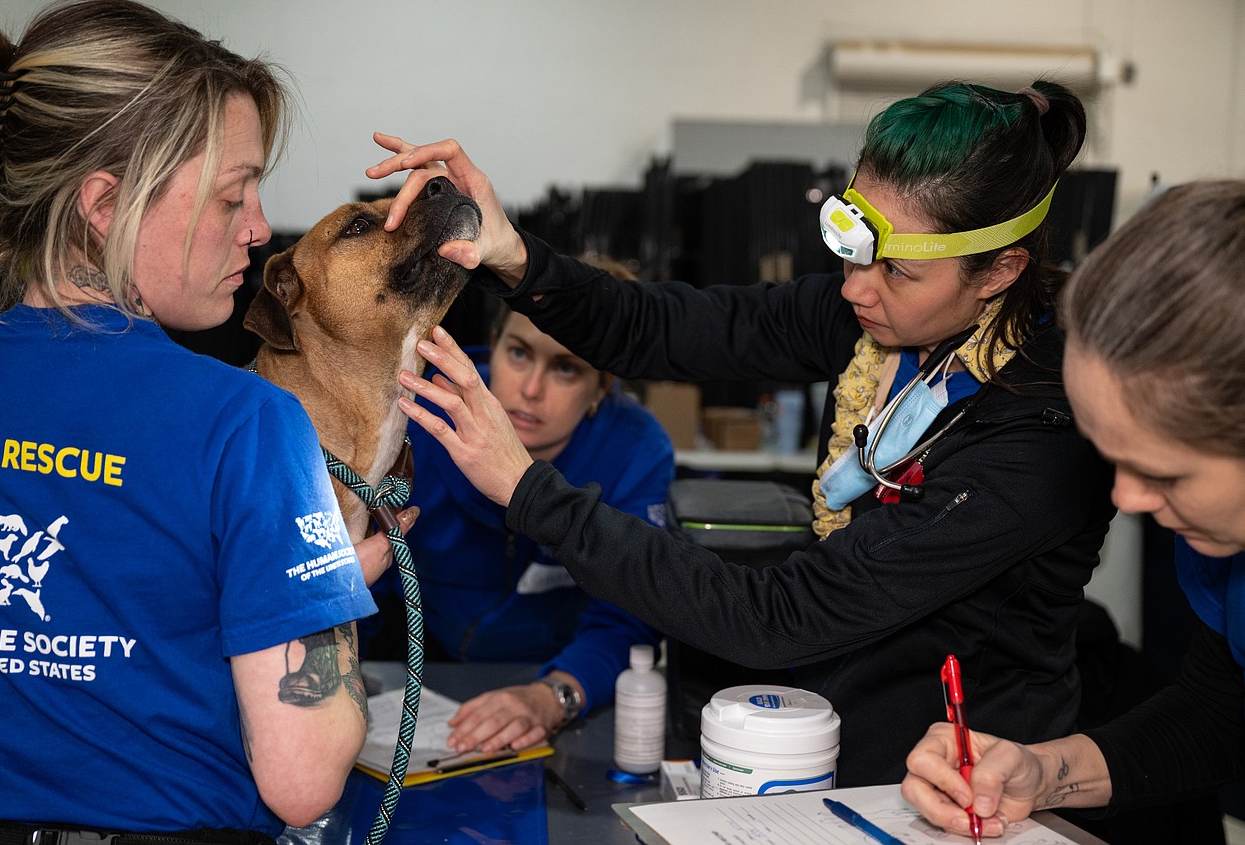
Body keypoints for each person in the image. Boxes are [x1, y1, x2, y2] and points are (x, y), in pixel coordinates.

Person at [365, 78, 1118, 787]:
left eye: (897, 273)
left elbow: (781, 616)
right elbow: (660, 326)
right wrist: (515, 256)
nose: (855, 287)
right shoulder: (881, 316)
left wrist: (529, 491)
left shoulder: (1037, 436)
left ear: (999, 270)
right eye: (855, 253)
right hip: (839, 746)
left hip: (969, 779)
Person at [0, 0, 397, 843]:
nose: (257, 229)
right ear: (104, 205)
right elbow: (303, 779)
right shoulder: (247, 423)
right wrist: (323, 599)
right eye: (231, 195)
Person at [900, 179, 1245, 838]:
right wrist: (1040, 770)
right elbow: (1219, 713)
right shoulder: (1220, 542)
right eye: (1111, 456)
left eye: (1164, 471)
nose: (1127, 499)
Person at [364, 253, 672, 755]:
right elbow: (364, 576)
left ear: (602, 387)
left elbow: (629, 612)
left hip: (562, 673)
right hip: (422, 671)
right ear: (496, 342)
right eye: (519, 353)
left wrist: (553, 696)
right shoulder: (418, 418)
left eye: (567, 368)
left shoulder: (635, 450)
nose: (530, 391)